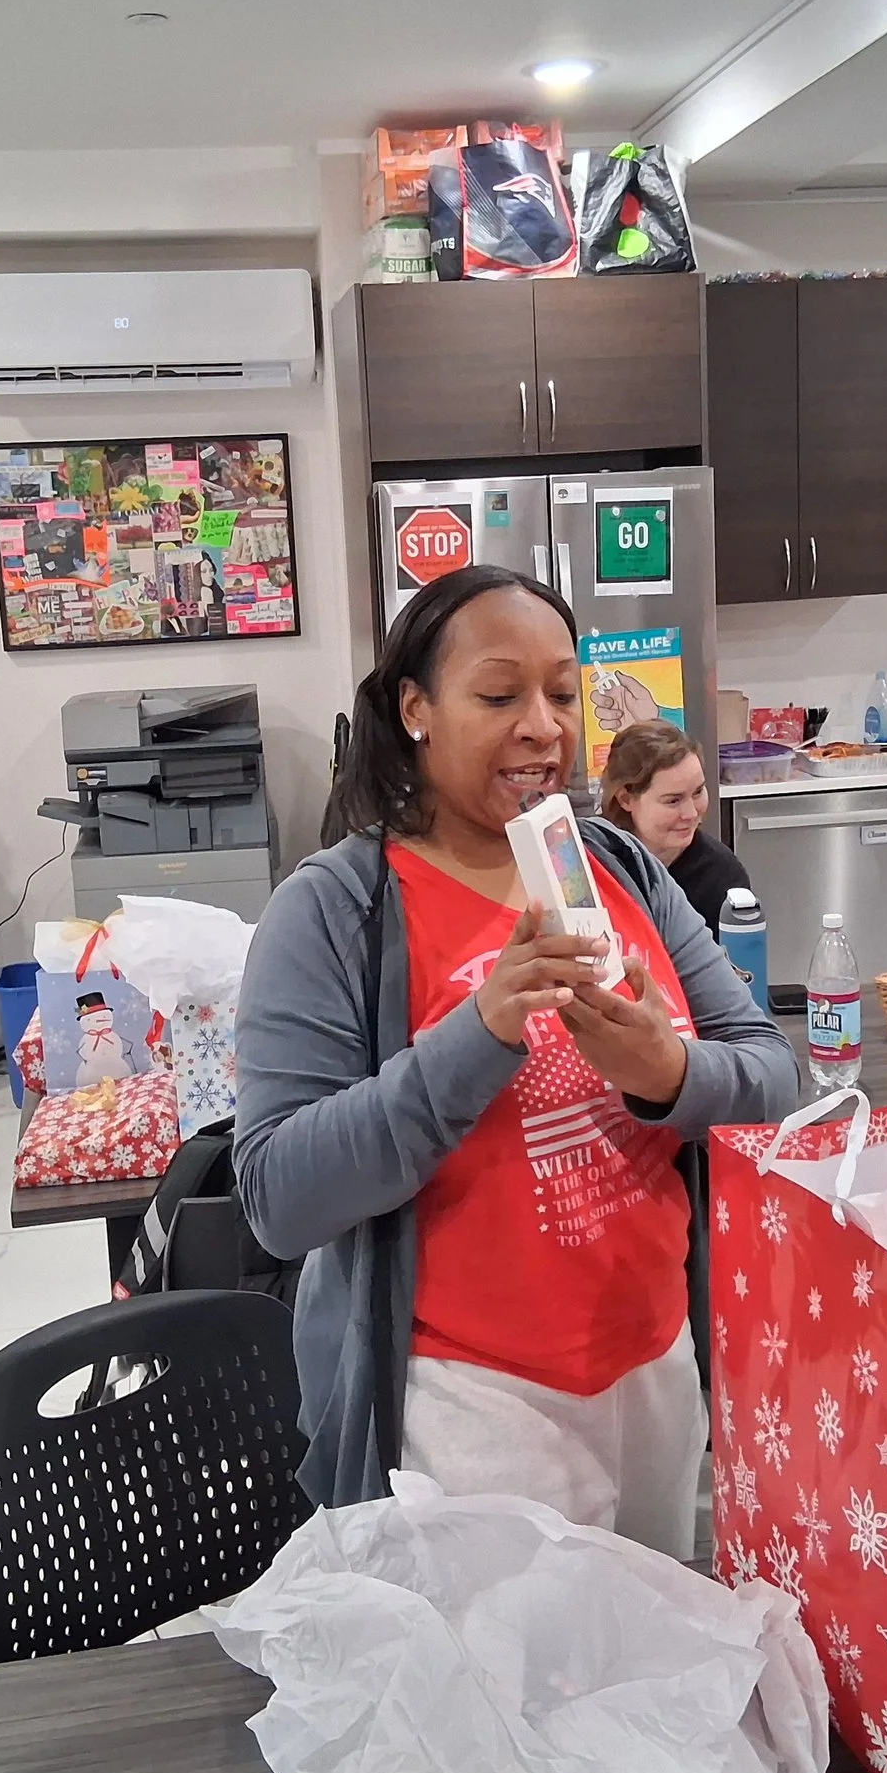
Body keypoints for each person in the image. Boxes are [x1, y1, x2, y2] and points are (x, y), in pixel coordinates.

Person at [238, 565, 799, 1554]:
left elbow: (766, 1071)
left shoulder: (614, 865)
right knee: (505, 1697)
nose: (543, 726)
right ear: (415, 708)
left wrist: (664, 1071)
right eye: (499, 696)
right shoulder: (334, 908)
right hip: (465, 1399)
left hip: (655, 1359)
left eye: (562, 693)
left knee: (639, 1670)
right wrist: (480, 1033)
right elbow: (282, 1196)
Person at [599, 719, 753, 935]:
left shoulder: (721, 875)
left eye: (698, 792)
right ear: (626, 799)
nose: (691, 814)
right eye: (673, 801)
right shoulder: (594, 861)